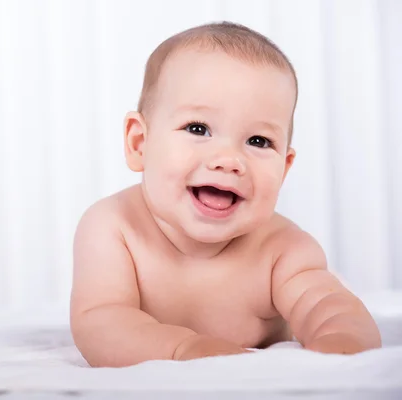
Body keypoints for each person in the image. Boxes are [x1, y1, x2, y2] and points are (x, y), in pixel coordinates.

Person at [69, 21, 382, 368]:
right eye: (198, 128)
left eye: (258, 141)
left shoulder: (283, 250)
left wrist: (342, 340)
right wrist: (181, 349)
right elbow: (100, 322)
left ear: (284, 168)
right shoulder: (114, 228)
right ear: (139, 143)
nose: (229, 160)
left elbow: (330, 307)